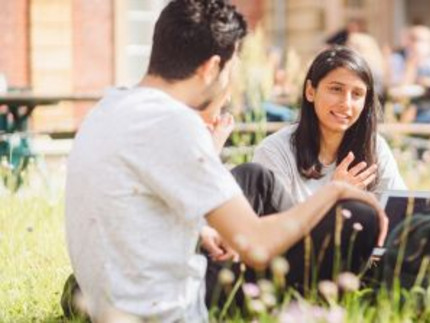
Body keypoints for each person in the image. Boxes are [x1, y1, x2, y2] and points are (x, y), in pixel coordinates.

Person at [65, 2, 387, 322]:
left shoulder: (108, 108)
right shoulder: (173, 123)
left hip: (115, 296)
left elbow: (136, 208)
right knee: (359, 216)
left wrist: (203, 234)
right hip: (176, 309)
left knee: (254, 177)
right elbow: (257, 246)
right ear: (211, 68)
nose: (229, 91)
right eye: (230, 71)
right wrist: (334, 193)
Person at [253, 47, 406, 208]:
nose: (346, 104)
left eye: (357, 94)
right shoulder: (274, 151)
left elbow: (403, 214)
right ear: (310, 91)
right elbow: (276, 228)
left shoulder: (375, 148)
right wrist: (331, 195)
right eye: (336, 89)